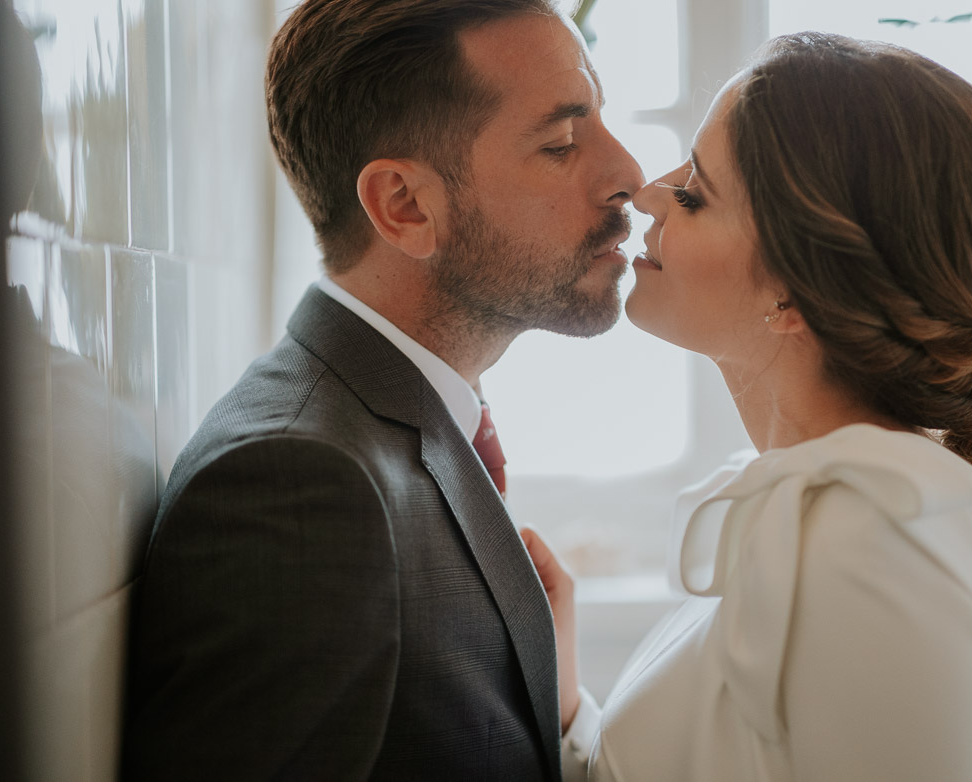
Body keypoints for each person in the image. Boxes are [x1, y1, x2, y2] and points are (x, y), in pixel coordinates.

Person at [524, 32, 972, 782]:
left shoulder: (875, 535)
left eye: (697, 193)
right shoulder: (816, 508)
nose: (645, 192)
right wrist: (567, 700)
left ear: (797, 291)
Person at [122, 0, 642, 779]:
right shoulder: (299, 485)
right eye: (561, 142)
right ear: (404, 206)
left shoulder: (397, 424)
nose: (628, 174)